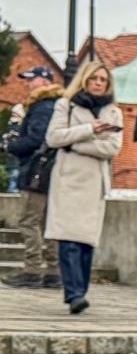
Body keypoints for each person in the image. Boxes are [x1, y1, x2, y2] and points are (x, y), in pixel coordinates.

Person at [44, 59, 123, 314]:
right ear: (85, 80)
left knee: (87, 241)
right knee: (69, 239)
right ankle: (74, 293)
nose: (98, 84)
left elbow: (112, 147)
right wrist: (90, 129)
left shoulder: (113, 112)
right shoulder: (65, 105)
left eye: (103, 80)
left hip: (94, 181)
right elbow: (54, 137)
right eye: (94, 79)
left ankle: (81, 290)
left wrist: (76, 143)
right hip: (69, 179)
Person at [2, 66, 63, 290]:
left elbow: (37, 139)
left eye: (32, 79)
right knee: (49, 222)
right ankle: (53, 272)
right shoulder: (55, 104)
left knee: (29, 221)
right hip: (51, 170)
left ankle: (33, 270)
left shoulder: (42, 106)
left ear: (45, 81)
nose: (28, 84)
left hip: (37, 170)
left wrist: (13, 145)